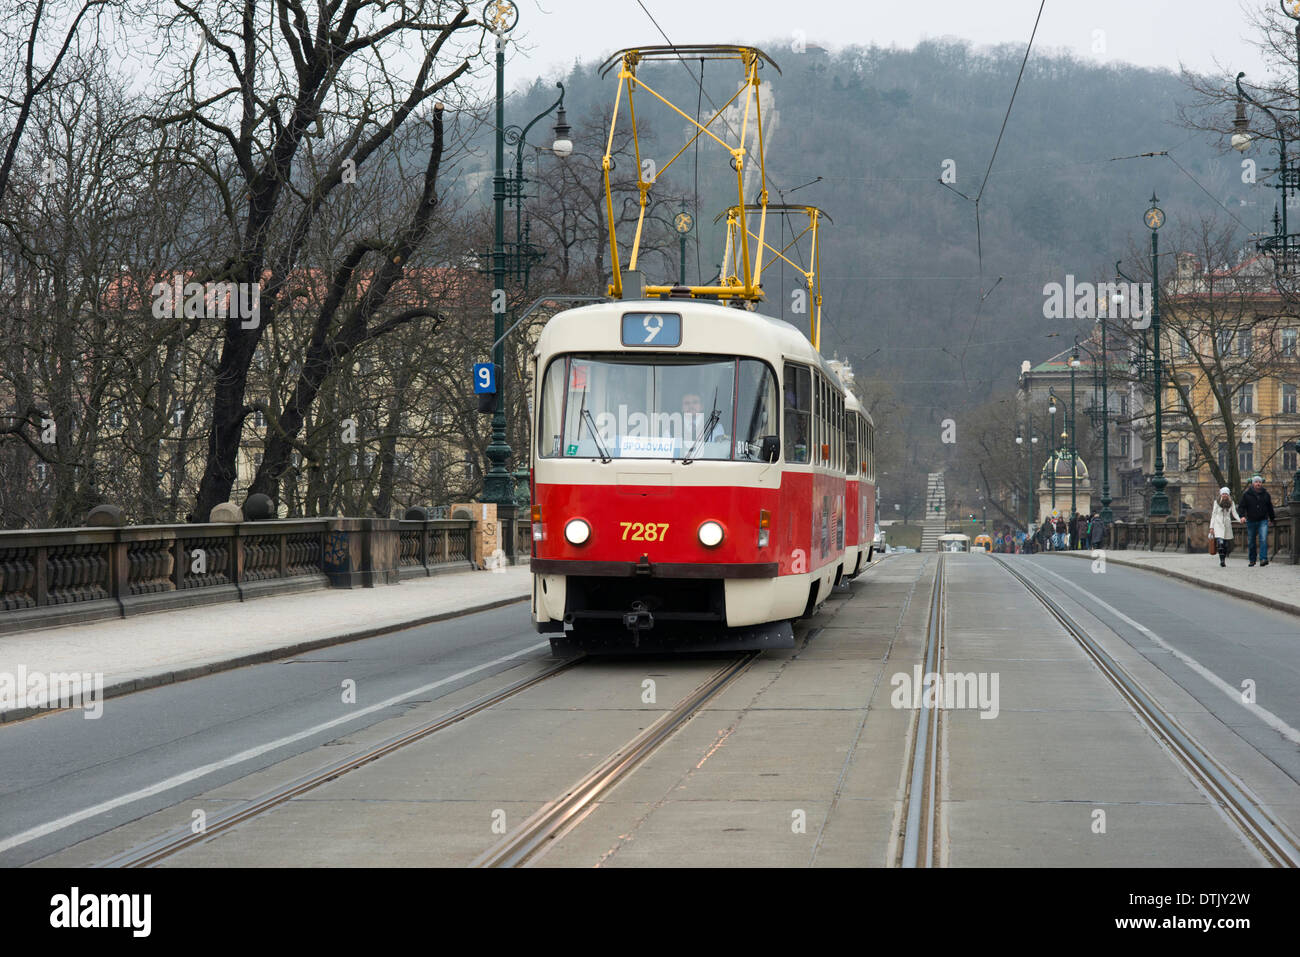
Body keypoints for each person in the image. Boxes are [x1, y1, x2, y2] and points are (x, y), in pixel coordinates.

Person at [1237, 474, 1277, 567]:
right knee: (1251, 541)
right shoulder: (1246, 494)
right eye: (1256, 482)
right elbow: (1241, 507)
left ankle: (1263, 559)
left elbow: (1270, 507)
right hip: (1251, 520)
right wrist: (1242, 516)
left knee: (1263, 539)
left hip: (1263, 520)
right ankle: (1252, 559)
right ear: (1252, 483)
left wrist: (1272, 518)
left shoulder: (1266, 494)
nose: (1258, 483)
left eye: (1259, 482)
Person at [1209, 486, 1241, 568]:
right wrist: (1211, 527)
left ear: (1228, 495)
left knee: (1226, 545)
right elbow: (1213, 514)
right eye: (1223, 494)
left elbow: (1234, 513)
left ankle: (1223, 558)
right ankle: (1222, 561)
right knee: (1220, 543)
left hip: (1227, 525)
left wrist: (1240, 520)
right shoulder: (1216, 502)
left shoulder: (1231, 502)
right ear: (1221, 494)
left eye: (1226, 494)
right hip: (1218, 524)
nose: (1225, 495)